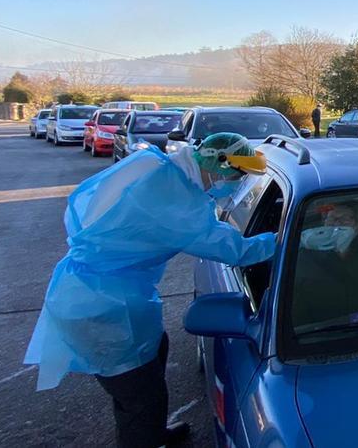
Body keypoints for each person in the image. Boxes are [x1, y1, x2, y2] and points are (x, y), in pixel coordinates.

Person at [24, 132, 276, 447]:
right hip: (105, 308)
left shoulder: (159, 167)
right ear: (217, 163)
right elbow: (235, 250)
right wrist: (286, 240)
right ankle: (145, 438)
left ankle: (153, 434)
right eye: (237, 173)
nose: (236, 182)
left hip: (99, 292)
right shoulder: (176, 203)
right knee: (140, 398)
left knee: (150, 362)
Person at [291, 203, 358, 325]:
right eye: (332, 218)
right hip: (319, 336)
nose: (337, 224)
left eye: (344, 218)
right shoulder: (303, 259)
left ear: (357, 226)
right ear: (324, 223)